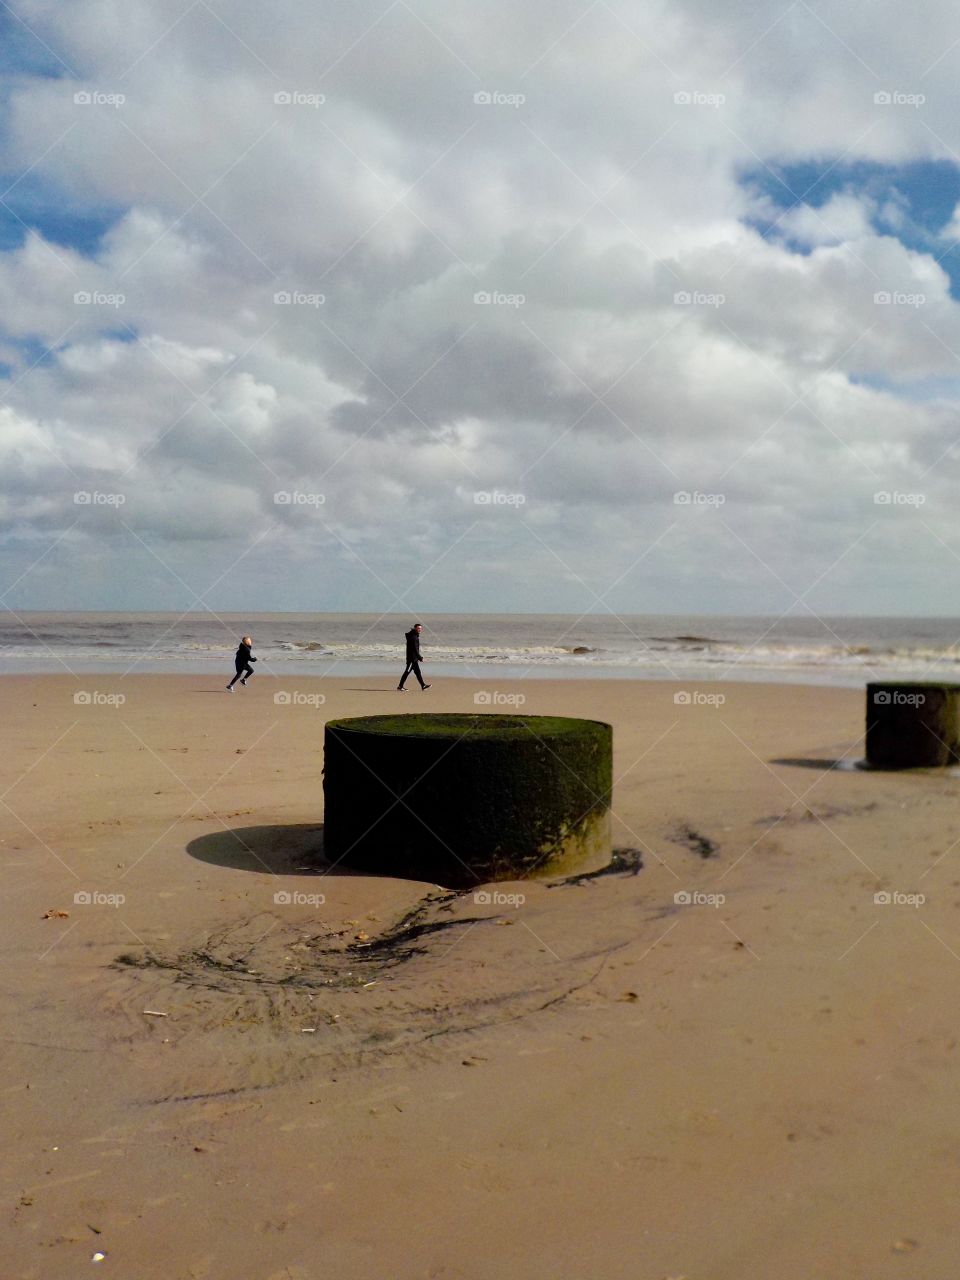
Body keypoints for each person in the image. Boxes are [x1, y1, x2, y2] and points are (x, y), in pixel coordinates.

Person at [398, 622, 431, 692]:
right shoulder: (414, 637)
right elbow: (415, 649)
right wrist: (420, 658)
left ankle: (423, 685)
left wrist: (418, 658)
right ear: (415, 628)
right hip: (411, 659)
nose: (420, 630)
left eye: (421, 628)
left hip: (414, 659)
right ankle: (400, 686)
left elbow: (415, 649)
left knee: (418, 672)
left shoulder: (413, 635)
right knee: (407, 672)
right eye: (418, 628)